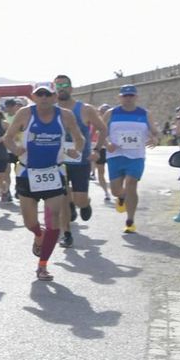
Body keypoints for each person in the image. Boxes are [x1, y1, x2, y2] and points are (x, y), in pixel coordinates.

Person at [3, 80, 84, 281]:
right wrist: (15, 149)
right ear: (34, 96)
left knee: (54, 218)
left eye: (48, 94)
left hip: (53, 173)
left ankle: (43, 265)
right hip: (27, 173)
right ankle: (38, 235)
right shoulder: (25, 114)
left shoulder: (65, 115)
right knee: (30, 223)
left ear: (55, 97)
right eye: (40, 94)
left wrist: (77, 150)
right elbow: (8, 137)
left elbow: (79, 137)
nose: (44, 98)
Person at [53, 75, 108, 249]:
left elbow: (102, 128)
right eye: (58, 85)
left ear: (71, 88)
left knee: (79, 199)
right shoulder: (51, 109)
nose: (61, 88)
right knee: (61, 197)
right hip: (59, 161)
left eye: (64, 85)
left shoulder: (85, 109)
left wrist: (97, 150)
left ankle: (84, 203)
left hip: (81, 161)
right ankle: (66, 234)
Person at [105, 84, 159, 234]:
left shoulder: (145, 113)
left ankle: (130, 220)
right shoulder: (111, 113)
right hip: (115, 155)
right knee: (116, 190)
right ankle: (121, 197)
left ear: (136, 97)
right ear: (120, 97)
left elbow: (154, 132)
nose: (128, 98)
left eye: (131, 95)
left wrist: (154, 139)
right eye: (125, 96)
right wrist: (106, 144)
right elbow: (100, 131)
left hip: (136, 156)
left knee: (131, 184)